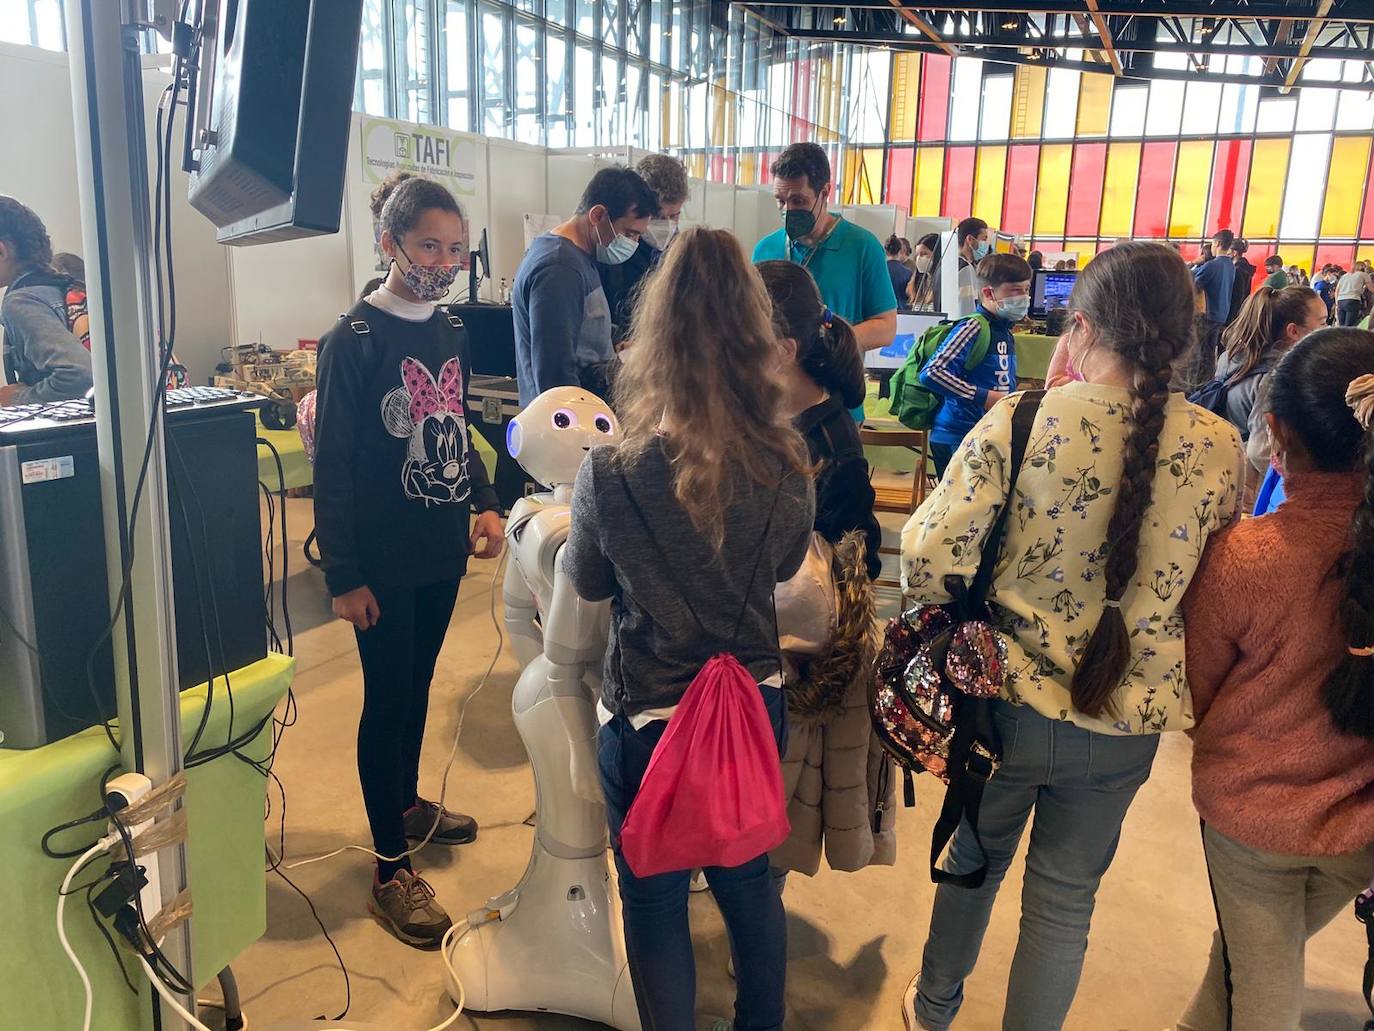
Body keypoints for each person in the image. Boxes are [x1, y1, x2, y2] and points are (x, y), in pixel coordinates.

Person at [900, 242, 1244, 1031]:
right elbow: (1213, 591)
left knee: (972, 863)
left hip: (1006, 707)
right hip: (1127, 722)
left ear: (1078, 327)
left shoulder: (1022, 418)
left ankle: (933, 1010)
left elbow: (927, 554)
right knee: (1064, 902)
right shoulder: (1220, 446)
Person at [565, 228, 815, 1031]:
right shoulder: (786, 460)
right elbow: (779, 572)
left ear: (655, 338)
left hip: (649, 719)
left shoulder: (608, 469)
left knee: (653, 899)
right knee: (749, 885)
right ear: (755, 336)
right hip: (750, 707)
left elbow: (589, 581)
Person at [312, 172, 505, 947]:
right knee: (387, 697)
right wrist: (344, 575)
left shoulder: (450, 329)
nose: (444, 260)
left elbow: (458, 417)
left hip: (439, 547)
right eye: (429, 245)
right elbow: (330, 466)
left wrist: (485, 496)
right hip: (381, 559)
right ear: (390, 244)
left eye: (456, 248)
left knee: (420, 684)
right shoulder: (352, 339)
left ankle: (405, 802)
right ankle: (391, 869)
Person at [1177, 329, 1374, 1031]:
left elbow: (1197, 691)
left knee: (1266, 993)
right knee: (1250, 951)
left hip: (1253, 822)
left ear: (1275, 428)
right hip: (1359, 830)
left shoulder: (1243, 558)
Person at [757, 260, 893, 881]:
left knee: (779, 792)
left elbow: (842, 567)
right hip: (760, 631)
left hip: (794, 646)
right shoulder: (774, 413)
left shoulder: (831, 445)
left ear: (782, 348)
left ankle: (763, 894)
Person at [512, 166, 657, 406]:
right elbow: (555, 375)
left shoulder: (579, 258)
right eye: (629, 234)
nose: (634, 243)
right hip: (567, 427)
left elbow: (580, 335)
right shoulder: (559, 268)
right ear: (598, 215)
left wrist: (615, 346)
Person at [752, 143, 896, 356]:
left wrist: (831, 343)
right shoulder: (765, 250)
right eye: (780, 201)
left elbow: (886, 328)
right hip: (776, 381)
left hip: (835, 381)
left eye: (798, 200)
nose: (788, 210)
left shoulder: (862, 247)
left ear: (825, 192)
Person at [918, 252, 1032, 479]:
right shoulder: (974, 326)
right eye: (1015, 291)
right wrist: (983, 396)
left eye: (1027, 290)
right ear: (989, 293)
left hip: (984, 432)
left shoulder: (1004, 330)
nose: (1024, 297)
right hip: (957, 434)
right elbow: (932, 372)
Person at [0, 196, 92, 405]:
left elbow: (80, 377)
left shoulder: (21, 302)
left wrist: (15, 399)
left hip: (87, 437)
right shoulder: (67, 280)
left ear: (2, 251)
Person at [598, 153, 689, 344]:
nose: (667, 225)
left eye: (675, 216)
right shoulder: (613, 249)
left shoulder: (683, 253)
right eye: (657, 217)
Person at [1189, 229, 1238, 389]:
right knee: (1210, 352)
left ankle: (1194, 386)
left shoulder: (1212, 265)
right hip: (1221, 314)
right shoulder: (1231, 265)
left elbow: (1192, 281)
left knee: (1197, 353)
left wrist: (1194, 263)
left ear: (1216, 243)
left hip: (1206, 314)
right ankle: (1208, 384)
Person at [952, 217, 991, 318]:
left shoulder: (950, 263)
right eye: (984, 239)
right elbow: (966, 309)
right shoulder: (964, 268)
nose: (986, 244)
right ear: (970, 239)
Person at [907, 232, 941, 311]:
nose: (919, 258)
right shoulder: (918, 282)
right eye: (917, 255)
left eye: (924, 254)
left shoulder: (941, 283)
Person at [1226, 239, 1256, 327]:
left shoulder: (1238, 270)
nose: (1227, 253)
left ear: (1234, 253)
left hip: (1233, 313)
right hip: (1240, 311)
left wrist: (1230, 318)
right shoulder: (1245, 268)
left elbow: (1237, 295)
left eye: (1228, 250)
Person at [1337, 260, 1371, 327]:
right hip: (1353, 300)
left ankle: (1339, 337)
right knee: (1349, 326)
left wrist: (1336, 303)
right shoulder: (1363, 274)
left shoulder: (1345, 276)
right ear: (1362, 267)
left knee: (1341, 326)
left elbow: (1337, 290)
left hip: (1340, 300)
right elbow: (1371, 288)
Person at [886, 234, 914, 307]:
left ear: (886, 251)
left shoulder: (878, 270)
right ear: (900, 251)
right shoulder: (908, 273)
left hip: (883, 309)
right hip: (902, 310)